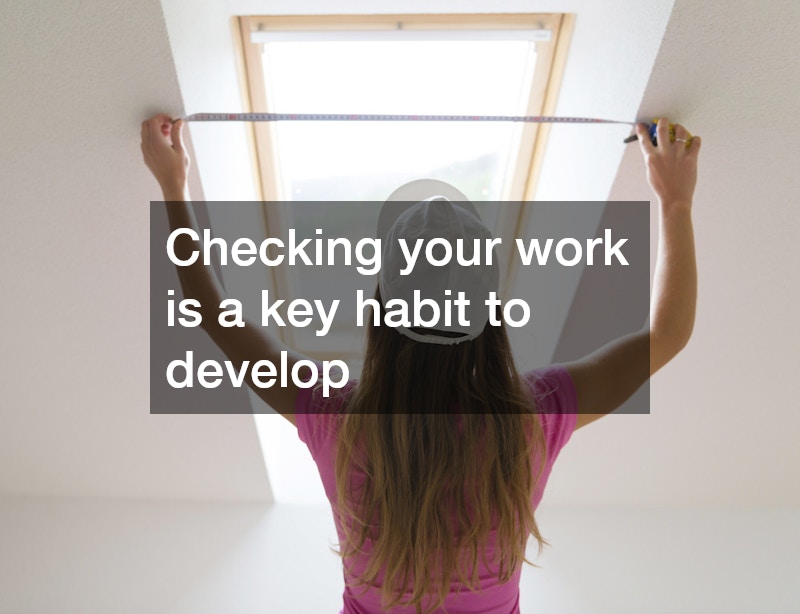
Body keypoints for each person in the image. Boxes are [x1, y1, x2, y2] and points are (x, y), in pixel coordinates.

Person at [142, 115, 700, 613]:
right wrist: (675, 201)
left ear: (380, 313)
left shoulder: (335, 417)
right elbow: (668, 334)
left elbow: (213, 316)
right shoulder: (533, 418)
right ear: (492, 319)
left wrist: (174, 185)